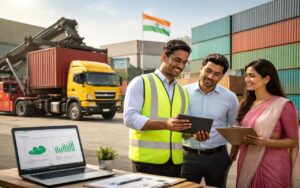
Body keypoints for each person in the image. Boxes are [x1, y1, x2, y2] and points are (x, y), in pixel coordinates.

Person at [123, 39, 192, 177]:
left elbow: (183, 130)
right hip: (146, 162)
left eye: (184, 62)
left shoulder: (183, 92)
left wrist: (194, 134)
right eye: (177, 60)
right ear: (164, 57)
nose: (181, 65)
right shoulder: (141, 82)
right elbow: (129, 118)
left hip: (176, 163)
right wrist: (165, 124)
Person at [236, 59, 299, 188]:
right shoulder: (245, 104)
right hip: (246, 159)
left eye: (252, 76)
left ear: (266, 79)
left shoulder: (283, 105)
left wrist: (267, 142)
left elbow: (293, 141)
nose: (247, 79)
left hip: (273, 165)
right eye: (246, 75)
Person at [181, 53, 239, 187]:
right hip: (188, 157)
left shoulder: (230, 97)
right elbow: (177, 124)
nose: (210, 77)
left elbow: (236, 127)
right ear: (201, 68)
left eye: (217, 74)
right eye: (208, 70)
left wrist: (232, 155)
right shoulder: (183, 92)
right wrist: (190, 135)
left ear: (222, 76)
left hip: (218, 158)